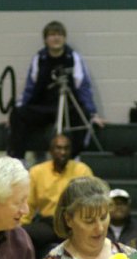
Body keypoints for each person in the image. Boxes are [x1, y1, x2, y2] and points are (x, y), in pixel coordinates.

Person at [7, 20, 104, 159]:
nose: (56, 38)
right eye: (52, 35)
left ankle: (74, 159)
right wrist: (16, 111)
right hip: (43, 107)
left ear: (64, 38)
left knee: (83, 115)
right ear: (46, 40)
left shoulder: (73, 57)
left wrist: (93, 113)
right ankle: (18, 161)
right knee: (17, 114)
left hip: (67, 108)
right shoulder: (39, 58)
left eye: (59, 34)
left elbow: (83, 86)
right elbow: (30, 87)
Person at [22, 134, 93, 258]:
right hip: (49, 223)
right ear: (51, 151)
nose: (63, 152)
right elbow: (29, 204)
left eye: (66, 148)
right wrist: (20, 227)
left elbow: (92, 199)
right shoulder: (37, 171)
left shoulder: (82, 170)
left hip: (73, 222)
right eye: (58, 148)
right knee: (22, 234)